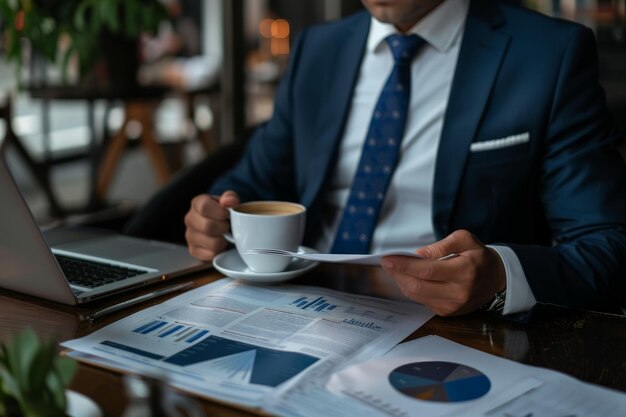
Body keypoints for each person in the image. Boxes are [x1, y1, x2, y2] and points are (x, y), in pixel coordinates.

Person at [184, 0, 626, 318]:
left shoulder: (547, 54)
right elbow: (253, 182)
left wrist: (500, 277)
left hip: (453, 332)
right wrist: (216, 217)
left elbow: (607, 244)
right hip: (296, 307)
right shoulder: (318, 47)